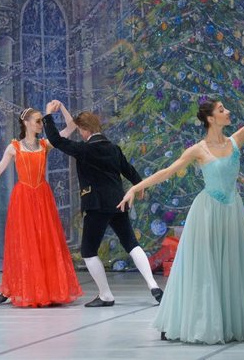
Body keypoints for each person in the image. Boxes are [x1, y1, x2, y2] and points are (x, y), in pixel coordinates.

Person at [117, 99, 244, 344]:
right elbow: (167, 171)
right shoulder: (199, 149)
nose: (227, 112)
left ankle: (229, 322)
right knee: (203, 269)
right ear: (210, 118)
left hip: (232, 212)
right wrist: (135, 188)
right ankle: (187, 321)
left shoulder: (235, 141)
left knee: (231, 266)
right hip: (207, 213)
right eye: (221, 110)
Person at [0, 105, 82, 307]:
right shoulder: (14, 147)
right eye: (37, 121)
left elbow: (71, 127)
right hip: (23, 199)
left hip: (42, 198)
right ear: (26, 122)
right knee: (23, 244)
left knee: (44, 242)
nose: (41, 124)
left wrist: (62, 108)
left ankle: (46, 288)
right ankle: (12, 288)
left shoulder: (45, 144)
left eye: (41, 121)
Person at [42, 101, 163, 307]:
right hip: (118, 202)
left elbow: (56, 140)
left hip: (96, 205)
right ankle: (153, 285)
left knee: (88, 251)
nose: (80, 134)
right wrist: (139, 185)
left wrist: (48, 115)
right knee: (131, 243)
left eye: (80, 131)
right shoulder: (114, 149)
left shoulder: (85, 150)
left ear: (86, 129)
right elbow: (128, 169)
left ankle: (106, 295)